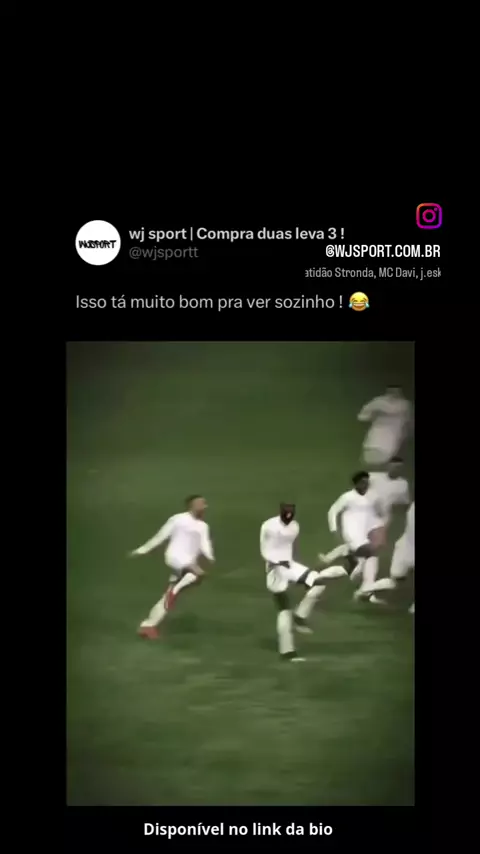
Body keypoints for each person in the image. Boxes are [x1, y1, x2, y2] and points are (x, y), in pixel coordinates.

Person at [260, 503, 347, 661]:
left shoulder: (295, 526)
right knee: (284, 611)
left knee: (318, 581)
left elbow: (290, 547)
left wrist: (291, 563)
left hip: (290, 565)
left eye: (291, 515)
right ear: (280, 512)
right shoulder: (268, 526)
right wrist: (277, 562)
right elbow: (264, 551)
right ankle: (287, 652)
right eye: (286, 515)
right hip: (275, 571)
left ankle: (300, 616)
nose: (288, 518)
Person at [130, 495, 214, 639]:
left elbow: (205, 543)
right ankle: (174, 591)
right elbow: (161, 536)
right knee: (196, 574)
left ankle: (148, 625)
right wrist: (143, 549)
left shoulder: (203, 526)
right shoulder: (178, 519)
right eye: (200, 503)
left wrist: (210, 557)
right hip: (175, 557)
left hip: (188, 561)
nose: (204, 506)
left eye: (204, 504)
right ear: (191, 505)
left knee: (172, 593)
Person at [322, 472, 386, 598]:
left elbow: (378, 513)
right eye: (362, 482)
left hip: (365, 535)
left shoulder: (372, 496)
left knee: (354, 565)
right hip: (351, 535)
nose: (365, 485)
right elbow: (332, 511)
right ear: (355, 484)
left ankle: (322, 575)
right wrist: (334, 530)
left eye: (367, 482)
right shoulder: (348, 497)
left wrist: (379, 527)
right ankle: (366, 589)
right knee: (371, 554)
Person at [362, 502, 415, 613]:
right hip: (408, 551)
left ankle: (367, 590)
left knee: (395, 581)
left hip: (403, 549)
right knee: (397, 581)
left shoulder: (412, 509)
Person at [358, 385, 412, 466]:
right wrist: (374, 415)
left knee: (387, 458)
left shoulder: (404, 405)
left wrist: (405, 433)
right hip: (377, 434)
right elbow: (363, 416)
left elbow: (408, 421)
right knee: (370, 456)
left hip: (393, 436)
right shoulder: (379, 402)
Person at [368, 457, 410, 526]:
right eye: (393, 466)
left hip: (384, 519)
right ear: (388, 466)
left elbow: (405, 504)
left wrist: (396, 507)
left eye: (398, 467)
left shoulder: (403, 483)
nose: (395, 469)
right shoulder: (373, 477)